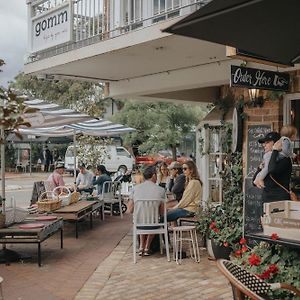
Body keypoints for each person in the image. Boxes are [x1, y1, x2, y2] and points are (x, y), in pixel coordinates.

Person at [127, 165, 165, 256]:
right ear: (153, 176)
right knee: (153, 218)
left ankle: (141, 247)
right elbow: (162, 212)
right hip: (154, 225)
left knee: (141, 217)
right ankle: (147, 246)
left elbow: (130, 210)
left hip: (139, 224)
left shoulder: (135, 189)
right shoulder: (161, 190)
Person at [253, 131, 293, 202]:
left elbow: (271, 170)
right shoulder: (268, 159)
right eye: (264, 143)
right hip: (266, 200)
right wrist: (259, 168)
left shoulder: (285, 160)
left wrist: (275, 151)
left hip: (280, 201)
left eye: (267, 142)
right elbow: (254, 182)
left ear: (276, 144)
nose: (264, 145)